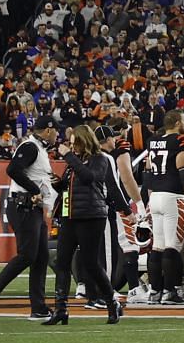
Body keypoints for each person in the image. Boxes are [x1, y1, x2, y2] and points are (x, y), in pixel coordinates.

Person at [46, 124, 133, 325]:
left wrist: (69, 157)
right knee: (63, 262)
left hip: (91, 216)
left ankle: (111, 302)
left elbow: (88, 178)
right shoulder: (76, 161)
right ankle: (60, 308)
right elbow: (70, 185)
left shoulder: (100, 159)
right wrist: (56, 182)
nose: (71, 145)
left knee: (91, 264)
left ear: (84, 141)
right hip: (71, 216)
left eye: (75, 142)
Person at [0, 125, 58, 321]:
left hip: (33, 208)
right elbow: (13, 169)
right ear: (48, 130)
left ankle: (38, 307)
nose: (57, 135)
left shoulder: (39, 149)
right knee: (27, 255)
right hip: (23, 206)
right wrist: (34, 190)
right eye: (55, 131)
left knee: (40, 257)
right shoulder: (30, 146)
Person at [139, 109, 184, 304]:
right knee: (172, 247)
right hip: (174, 197)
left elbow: (147, 173)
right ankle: (169, 291)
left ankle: (155, 291)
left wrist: (149, 200)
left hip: (155, 196)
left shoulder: (153, 142)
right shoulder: (182, 142)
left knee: (157, 247)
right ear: (176, 122)